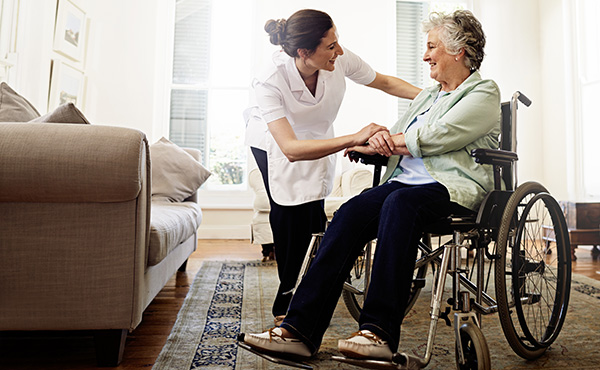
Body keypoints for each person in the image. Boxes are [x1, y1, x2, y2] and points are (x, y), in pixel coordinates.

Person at [239, 9, 500, 361]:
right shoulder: (428, 96)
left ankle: (377, 332)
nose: (425, 55)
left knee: (399, 205)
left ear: (458, 51)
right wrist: (365, 143)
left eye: (431, 47)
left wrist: (377, 140)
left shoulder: (482, 93)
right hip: (404, 183)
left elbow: (435, 136)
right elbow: (395, 137)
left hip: (449, 188)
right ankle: (298, 330)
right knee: (350, 212)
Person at [244, 8, 421, 326]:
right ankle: (287, 299)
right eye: (330, 46)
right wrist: (353, 138)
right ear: (303, 52)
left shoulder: (338, 58)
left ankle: (308, 289)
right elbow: (291, 149)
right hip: (275, 141)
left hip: (315, 135)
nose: (338, 51)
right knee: (288, 215)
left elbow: (383, 82)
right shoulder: (269, 80)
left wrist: (435, 98)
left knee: (313, 213)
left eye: (337, 42)